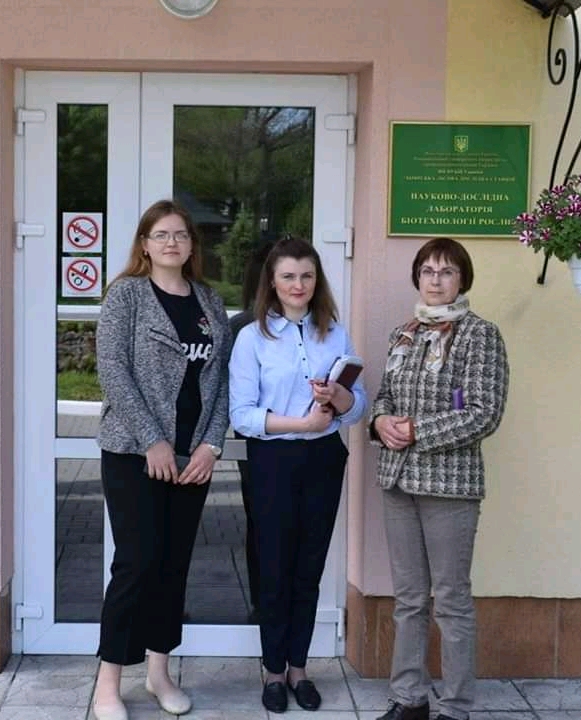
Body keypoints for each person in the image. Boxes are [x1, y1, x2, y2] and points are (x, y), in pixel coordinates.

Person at [92, 199, 231, 720]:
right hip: (134, 453)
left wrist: (210, 445)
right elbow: (113, 370)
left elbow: (221, 383)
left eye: (181, 235)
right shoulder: (126, 295)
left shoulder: (209, 302)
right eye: (161, 234)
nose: (172, 242)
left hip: (192, 458)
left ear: (192, 245)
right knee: (136, 563)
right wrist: (152, 439)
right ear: (145, 245)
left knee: (173, 565)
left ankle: (158, 674)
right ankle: (108, 683)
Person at [369, 237, 509, 720]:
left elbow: (484, 413)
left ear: (462, 279)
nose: (435, 280)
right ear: (417, 277)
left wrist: (415, 430)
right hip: (398, 481)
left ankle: (455, 706)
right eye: (428, 271)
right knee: (409, 600)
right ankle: (409, 699)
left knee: (450, 601)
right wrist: (380, 421)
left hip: (449, 486)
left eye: (446, 272)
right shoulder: (403, 333)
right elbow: (385, 394)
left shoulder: (480, 335)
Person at [229, 236, 367, 713]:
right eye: (288, 276)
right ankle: (273, 671)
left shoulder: (335, 334)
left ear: (317, 280)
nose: (298, 285)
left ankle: (299, 669)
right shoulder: (252, 337)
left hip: (323, 458)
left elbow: (358, 406)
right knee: (274, 568)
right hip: (273, 461)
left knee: (309, 568)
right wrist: (300, 423)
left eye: (307, 275)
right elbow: (241, 414)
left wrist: (339, 398)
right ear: (272, 281)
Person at [228, 241, 272, 626]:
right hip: (258, 441)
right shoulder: (244, 327)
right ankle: (267, 604)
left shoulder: (237, 324)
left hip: (253, 444)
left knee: (258, 523)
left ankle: (262, 603)